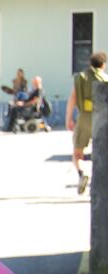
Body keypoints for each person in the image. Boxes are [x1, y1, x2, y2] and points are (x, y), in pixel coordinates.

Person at [67, 51, 107, 194]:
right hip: (102, 117)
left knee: (78, 152)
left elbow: (73, 98)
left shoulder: (81, 78)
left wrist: (69, 119)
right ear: (103, 65)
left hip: (84, 116)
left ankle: (82, 173)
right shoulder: (105, 78)